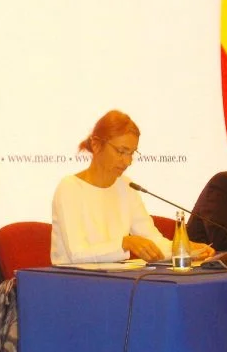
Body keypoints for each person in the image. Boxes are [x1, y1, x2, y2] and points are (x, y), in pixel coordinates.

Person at [51, 110, 214, 264]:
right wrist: (125, 243)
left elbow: (152, 240)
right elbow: (77, 254)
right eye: (121, 152)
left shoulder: (126, 186)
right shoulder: (70, 187)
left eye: (131, 153)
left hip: (115, 278)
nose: (128, 161)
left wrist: (185, 248)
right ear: (96, 144)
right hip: (72, 280)